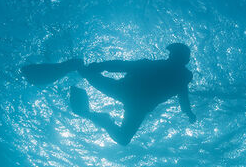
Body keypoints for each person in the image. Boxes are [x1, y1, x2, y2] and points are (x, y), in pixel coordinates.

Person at [67, 43, 196, 145]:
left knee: (123, 140)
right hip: (125, 92)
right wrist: (101, 66)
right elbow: (124, 65)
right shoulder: (157, 67)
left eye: (176, 56)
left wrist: (188, 112)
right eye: (173, 56)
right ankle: (75, 68)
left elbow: (183, 96)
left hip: (135, 103)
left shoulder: (182, 78)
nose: (172, 58)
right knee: (88, 74)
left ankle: (103, 119)